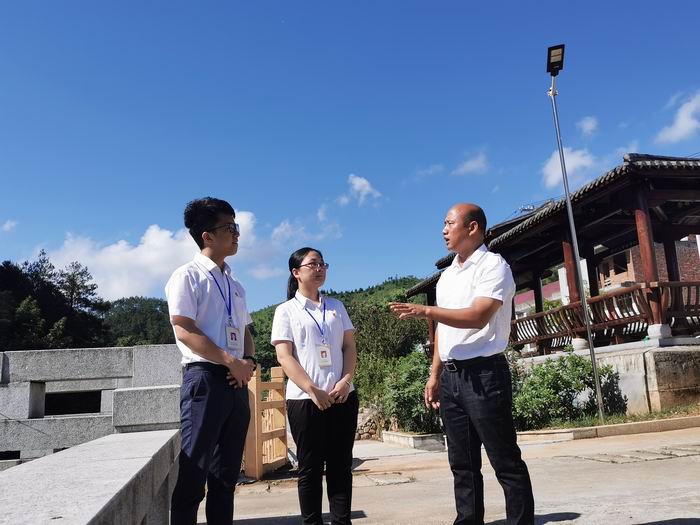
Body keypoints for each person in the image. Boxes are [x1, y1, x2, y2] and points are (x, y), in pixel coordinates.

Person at [390, 203, 534, 525]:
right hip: (452, 378)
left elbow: (478, 315)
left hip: (485, 373)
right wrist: (434, 374)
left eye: (448, 223)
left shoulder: (493, 266)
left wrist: (426, 312)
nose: (443, 230)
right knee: (462, 463)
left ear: (472, 228)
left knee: (504, 460)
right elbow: (444, 329)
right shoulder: (447, 276)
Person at [165, 197, 257, 525]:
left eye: (236, 227)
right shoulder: (186, 276)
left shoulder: (236, 285)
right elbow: (184, 329)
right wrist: (229, 360)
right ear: (207, 235)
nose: (236, 234)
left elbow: (246, 330)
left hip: (235, 381)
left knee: (226, 478)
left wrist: (245, 362)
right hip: (204, 379)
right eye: (229, 228)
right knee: (193, 476)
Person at [271, 247, 359, 525]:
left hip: (343, 397)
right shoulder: (285, 311)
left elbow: (349, 347)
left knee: (341, 466)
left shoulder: (336, 307)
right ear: (296, 272)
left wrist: (346, 381)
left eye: (323, 264)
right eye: (313, 264)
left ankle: (341, 521)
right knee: (309, 469)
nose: (320, 268)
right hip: (305, 400)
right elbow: (284, 356)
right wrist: (312, 389)